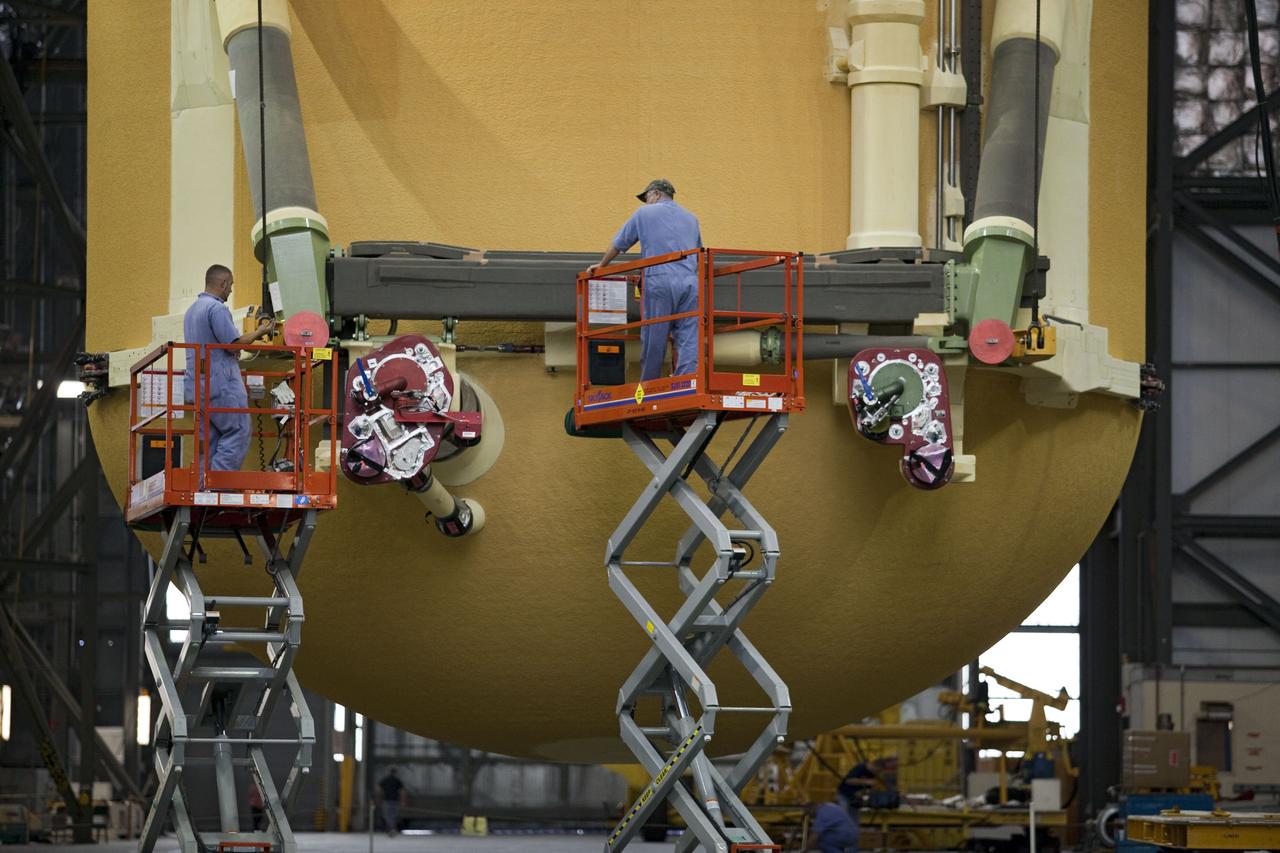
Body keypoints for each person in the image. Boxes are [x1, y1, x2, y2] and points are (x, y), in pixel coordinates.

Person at [586, 178, 702, 381]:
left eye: (646, 197)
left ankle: (649, 385)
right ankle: (687, 381)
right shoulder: (691, 218)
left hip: (659, 278)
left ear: (656, 194)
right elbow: (699, 253)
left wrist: (602, 265)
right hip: (690, 281)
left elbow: (620, 242)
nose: (646, 202)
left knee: (654, 334)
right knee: (688, 334)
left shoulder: (644, 213)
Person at [182, 264, 273, 472]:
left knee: (210, 439)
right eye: (230, 285)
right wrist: (260, 331)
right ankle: (219, 485)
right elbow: (234, 345)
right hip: (220, 385)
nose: (230, 291)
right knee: (239, 429)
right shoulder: (216, 309)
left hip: (197, 386)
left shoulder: (191, 311)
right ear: (222, 283)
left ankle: (204, 485)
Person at [376, 767, 405, 836]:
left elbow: (378, 789)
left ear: (389, 772)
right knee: (393, 815)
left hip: (387, 800)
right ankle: (392, 829)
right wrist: (403, 801)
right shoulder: (397, 781)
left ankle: (391, 829)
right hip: (395, 800)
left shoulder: (385, 780)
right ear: (395, 773)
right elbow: (402, 792)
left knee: (387, 815)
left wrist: (378, 799)